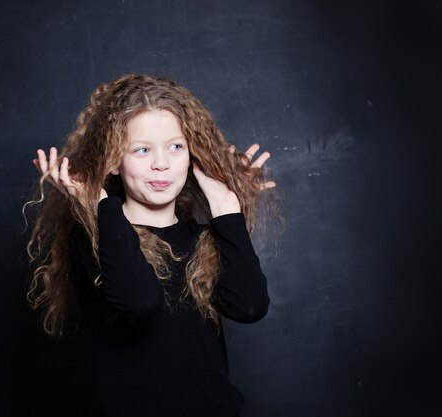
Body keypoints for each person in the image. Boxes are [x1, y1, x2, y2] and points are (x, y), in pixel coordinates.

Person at [24, 74, 280, 417]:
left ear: (192, 157)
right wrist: (97, 203)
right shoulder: (95, 239)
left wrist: (226, 208)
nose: (162, 163)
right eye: (142, 150)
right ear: (114, 162)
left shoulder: (205, 238)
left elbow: (249, 307)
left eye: (176, 147)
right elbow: (139, 300)